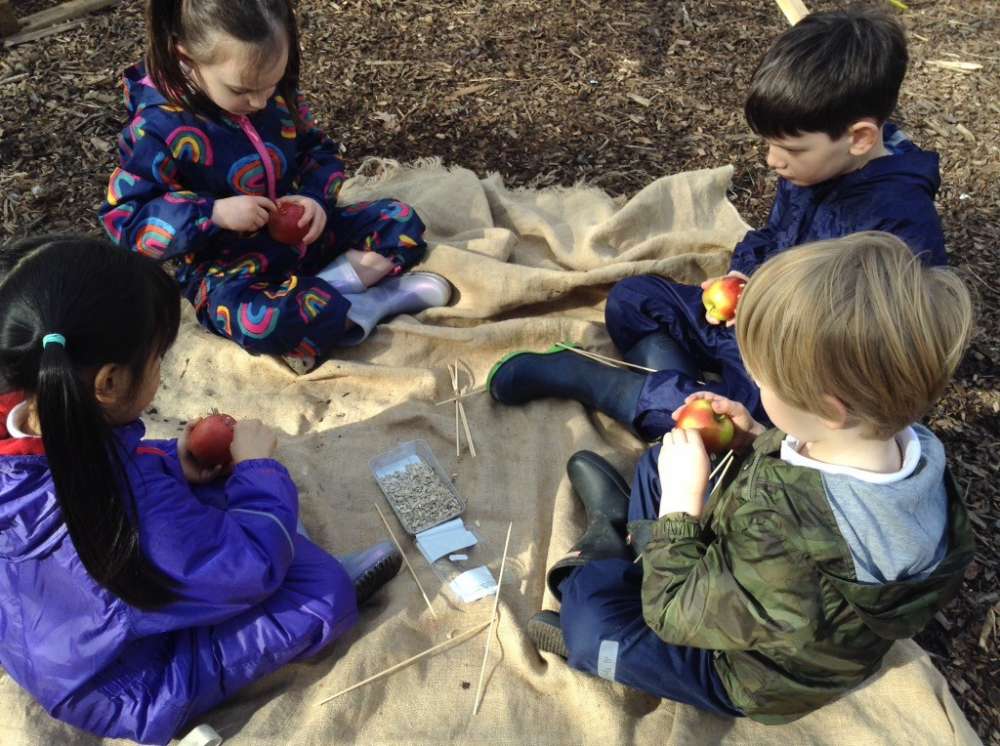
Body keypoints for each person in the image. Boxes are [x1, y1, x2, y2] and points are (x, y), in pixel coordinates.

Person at [526, 232, 975, 723]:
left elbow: (677, 615)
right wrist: (753, 434)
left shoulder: (788, 536)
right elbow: (801, 469)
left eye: (762, 378)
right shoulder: (910, 447)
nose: (752, 381)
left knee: (591, 618)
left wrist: (679, 510)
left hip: (747, 668)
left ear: (828, 409)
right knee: (666, 459)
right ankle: (638, 540)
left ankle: (606, 556)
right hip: (765, 591)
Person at [0, 236, 403, 744]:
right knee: (321, 593)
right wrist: (260, 471)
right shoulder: (130, 511)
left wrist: (172, 461)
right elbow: (249, 569)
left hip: (45, 640)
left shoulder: (31, 420)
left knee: (201, 501)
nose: (161, 371)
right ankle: (170, 727)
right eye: (157, 360)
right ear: (108, 382)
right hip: (128, 686)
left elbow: (93, 465)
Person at [487, 8, 946, 437]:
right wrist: (743, 273)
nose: (773, 161)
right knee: (633, 299)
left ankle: (613, 388)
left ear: (860, 138)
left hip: (791, 362)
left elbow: (875, 339)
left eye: (791, 150)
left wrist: (773, 315)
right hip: (748, 324)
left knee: (760, 419)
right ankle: (674, 393)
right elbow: (773, 236)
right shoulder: (819, 167)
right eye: (769, 145)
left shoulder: (897, 226)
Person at [100, 0, 451, 374]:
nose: (259, 101)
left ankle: (323, 294)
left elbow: (318, 151)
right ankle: (367, 303)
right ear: (185, 56)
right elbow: (126, 220)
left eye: (271, 84)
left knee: (399, 220)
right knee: (262, 322)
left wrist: (313, 197)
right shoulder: (155, 129)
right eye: (242, 90)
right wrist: (213, 212)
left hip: (305, 240)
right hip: (230, 270)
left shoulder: (271, 91)